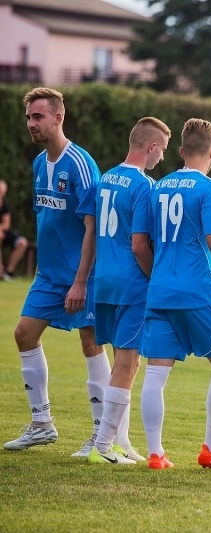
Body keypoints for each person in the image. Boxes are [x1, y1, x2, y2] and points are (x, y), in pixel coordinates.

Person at [138, 118, 211, 471]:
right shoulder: (209, 188)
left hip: (159, 293)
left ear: (181, 151)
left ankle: (155, 454)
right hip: (197, 291)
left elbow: (140, 244)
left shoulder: (157, 188)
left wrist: (159, 278)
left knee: (155, 373)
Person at [4, 87, 111, 456]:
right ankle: (41, 424)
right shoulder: (38, 164)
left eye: (38, 116)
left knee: (91, 343)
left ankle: (101, 434)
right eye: (28, 117)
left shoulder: (80, 163)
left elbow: (92, 228)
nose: (31, 124)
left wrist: (80, 281)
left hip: (82, 274)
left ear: (58, 117)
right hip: (48, 276)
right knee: (24, 334)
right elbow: (46, 220)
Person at [87, 117, 172, 465]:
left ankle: (120, 440)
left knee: (125, 363)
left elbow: (91, 231)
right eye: (162, 150)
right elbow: (139, 245)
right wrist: (155, 279)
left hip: (104, 281)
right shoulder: (144, 185)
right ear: (151, 147)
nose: (162, 158)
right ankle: (102, 447)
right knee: (127, 362)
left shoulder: (106, 178)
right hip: (131, 283)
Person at [0, 179, 30, 281]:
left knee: (22, 242)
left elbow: (6, 224)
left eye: (2, 192)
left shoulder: (4, 205)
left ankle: (8, 273)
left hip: (3, 232)